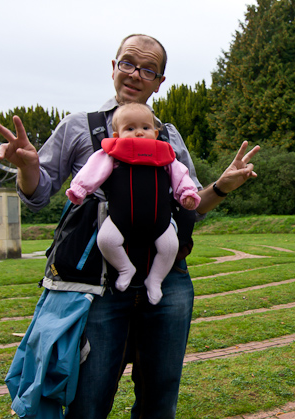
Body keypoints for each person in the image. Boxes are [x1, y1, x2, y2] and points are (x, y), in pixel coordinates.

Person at [0, 33, 259, 419]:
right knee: (90, 398)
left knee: (160, 398)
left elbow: (191, 208)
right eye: (129, 63)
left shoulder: (168, 136)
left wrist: (220, 187)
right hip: (97, 287)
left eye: (148, 69)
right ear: (113, 67)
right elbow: (40, 194)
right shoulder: (78, 127)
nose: (136, 74)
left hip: (168, 282)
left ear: (159, 81)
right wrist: (28, 167)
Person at [66, 102, 201, 305]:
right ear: (116, 135)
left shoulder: (166, 155)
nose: (139, 133)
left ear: (156, 133)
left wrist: (188, 193)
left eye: (145, 128)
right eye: (130, 128)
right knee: (106, 240)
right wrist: (80, 189)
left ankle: (155, 280)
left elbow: (181, 176)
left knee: (170, 247)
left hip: (160, 221)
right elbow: (92, 171)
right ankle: (124, 268)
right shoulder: (111, 155)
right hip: (121, 219)